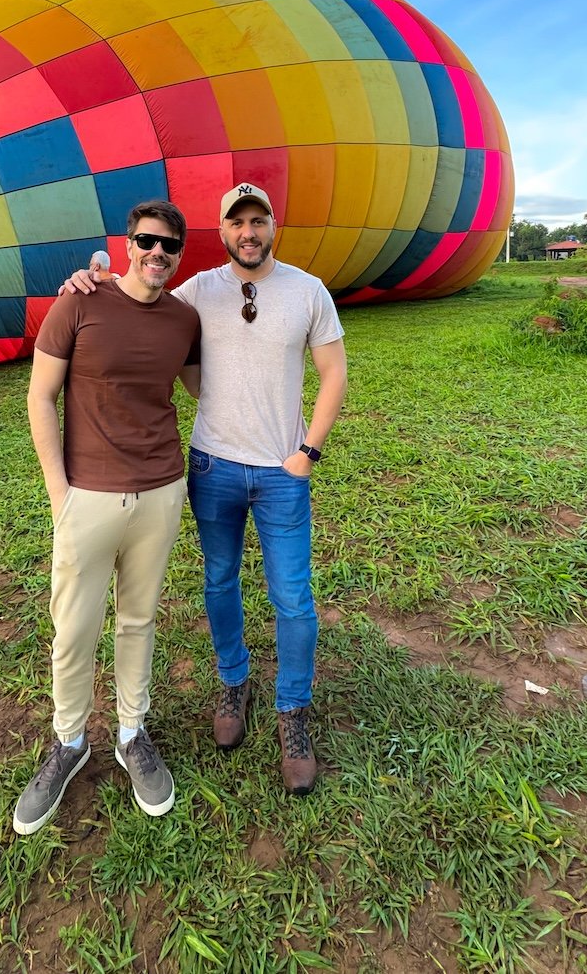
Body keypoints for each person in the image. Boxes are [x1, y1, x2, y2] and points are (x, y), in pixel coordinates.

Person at [63, 183, 347, 795]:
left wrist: (307, 452)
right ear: (220, 232)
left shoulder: (307, 291)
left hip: (282, 473)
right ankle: (233, 681)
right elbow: (138, 292)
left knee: (293, 598)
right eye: (236, 221)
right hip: (213, 467)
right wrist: (89, 277)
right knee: (219, 581)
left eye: (258, 219)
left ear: (273, 226)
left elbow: (334, 373)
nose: (248, 230)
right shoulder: (196, 293)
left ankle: (292, 712)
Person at [12, 200, 201, 835]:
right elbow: (40, 396)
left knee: (138, 619)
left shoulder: (185, 319)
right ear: (127, 244)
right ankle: (69, 742)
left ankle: (130, 732)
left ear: (179, 254)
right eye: (147, 240)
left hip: (161, 491)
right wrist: (58, 492)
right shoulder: (79, 304)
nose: (158, 253)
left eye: (169, 246)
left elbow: (205, 386)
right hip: (87, 496)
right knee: (73, 627)